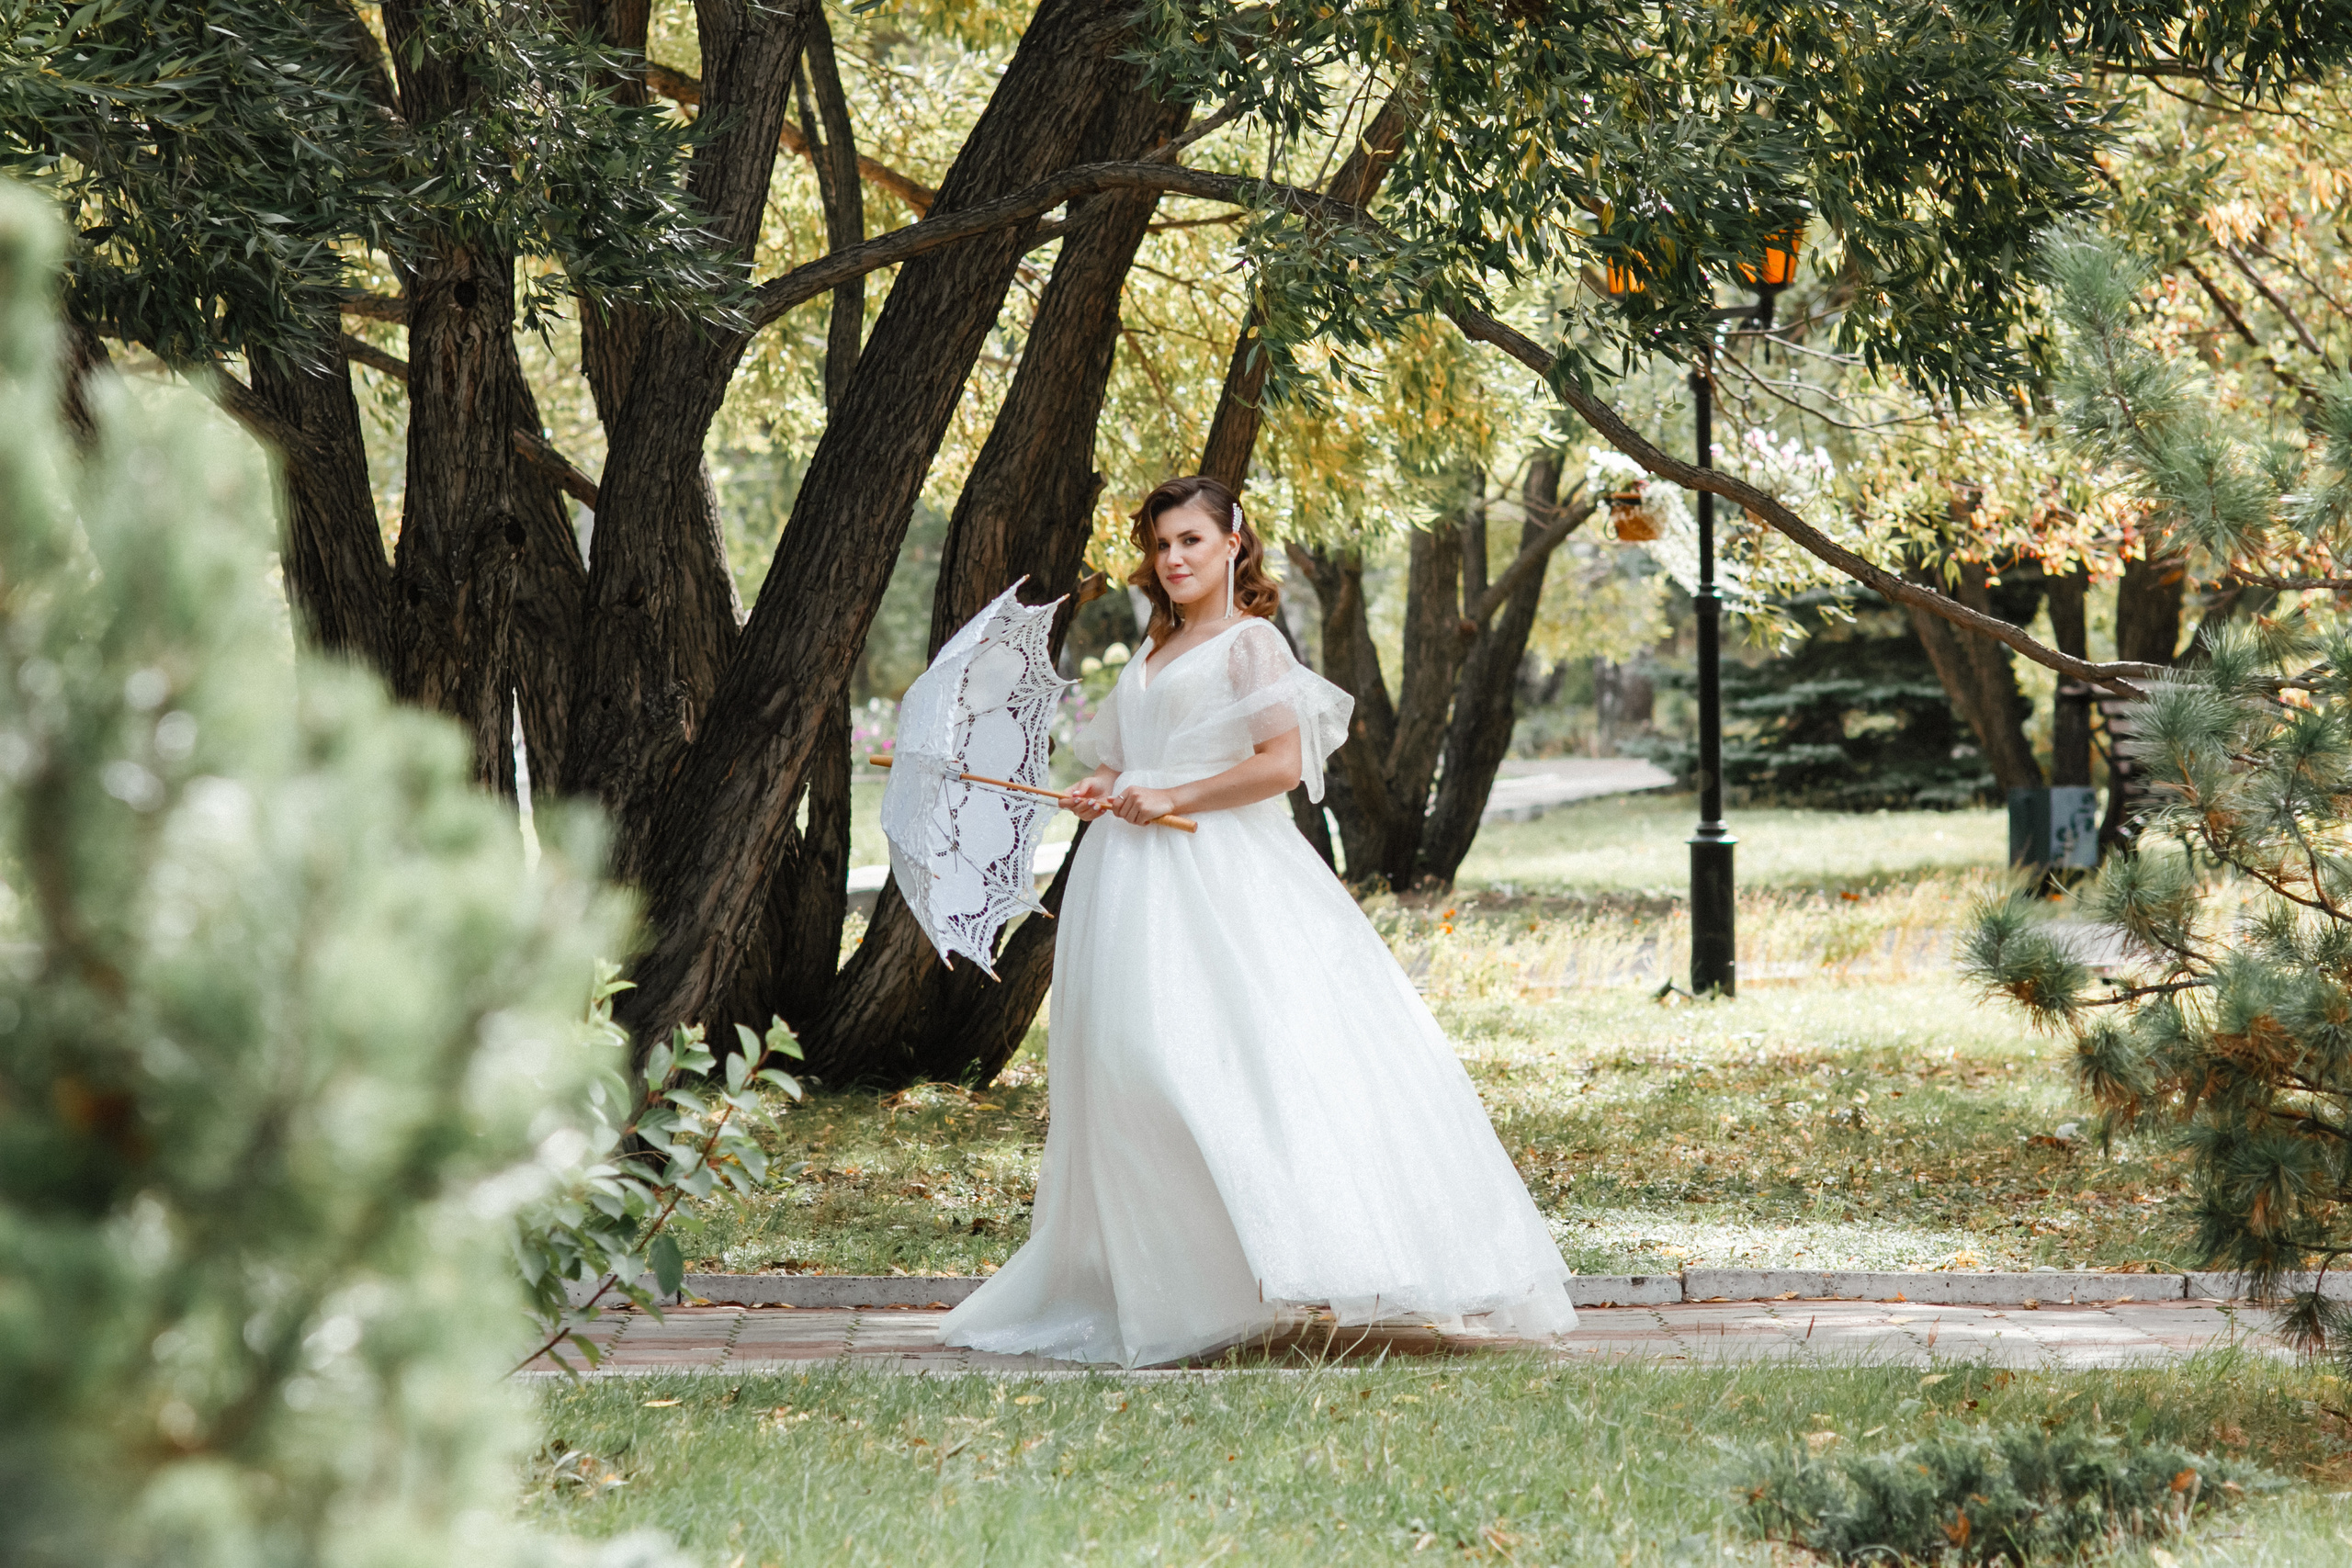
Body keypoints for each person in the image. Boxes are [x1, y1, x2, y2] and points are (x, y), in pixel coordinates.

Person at [939, 475, 1576, 1367]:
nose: (1172, 560)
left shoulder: (1251, 646)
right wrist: (1104, 789)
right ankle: (1176, 1282)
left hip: (1224, 877)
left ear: (1233, 545)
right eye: (1161, 545)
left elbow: (1280, 763)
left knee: (1227, 1060)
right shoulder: (1152, 648)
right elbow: (1129, 759)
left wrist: (1175, 793)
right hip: (1130, 886)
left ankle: (1293, 1251)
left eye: (1191, 541)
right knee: (1123, 1067)